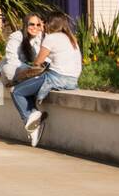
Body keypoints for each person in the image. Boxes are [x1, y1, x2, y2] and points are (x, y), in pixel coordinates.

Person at [10, 11, 82, 148]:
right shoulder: (71, 38)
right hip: (72, 81)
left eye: (44, 22)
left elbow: (38, 62)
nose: (42, 24)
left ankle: (31, 119)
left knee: (16, 92)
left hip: (56, 78)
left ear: (50, 24)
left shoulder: (51, 38)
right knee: (30, 87)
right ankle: (34, 119)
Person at [0, 13, 43, 85]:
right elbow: (11, 59)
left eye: (38, 25)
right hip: (17, 70)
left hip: (32, 71)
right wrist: (28, 70)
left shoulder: (42, 37)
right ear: (26, 25)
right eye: (32, 24)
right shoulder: (16, 36)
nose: (35, 27)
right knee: (8, 69)